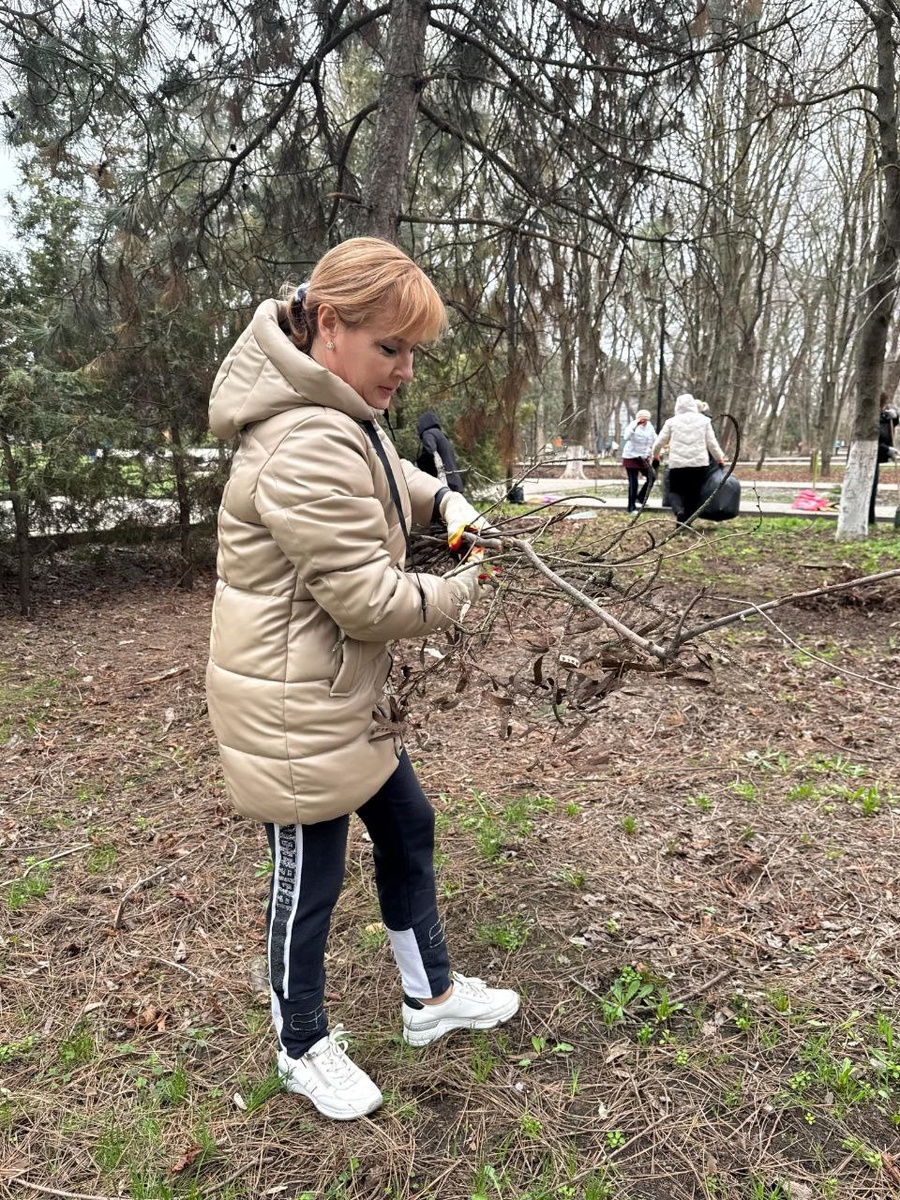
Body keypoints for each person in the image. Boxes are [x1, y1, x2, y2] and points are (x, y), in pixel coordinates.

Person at [206, 237, 519, 1122]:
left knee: (408, 824)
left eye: (412, 351)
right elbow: (371, 602)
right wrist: (465, 585)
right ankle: (300, 1043)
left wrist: (442, 501)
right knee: (309, 880)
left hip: (344, 695)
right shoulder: (302, 441)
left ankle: (429, 1000)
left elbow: (384, 476)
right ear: (331, 327)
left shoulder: (335, 409)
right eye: (391, 348)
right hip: (292, 706)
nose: (404, 371)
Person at [651, 392, 726, 525]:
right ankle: (687, 523)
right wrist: (720, 458)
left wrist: (655, 456)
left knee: (674, 491)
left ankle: (679, 511)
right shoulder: (704, 421)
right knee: (693, 494)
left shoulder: (671, 422)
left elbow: (658, 443)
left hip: (677, 465)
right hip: (699, 465)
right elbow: (712, 443)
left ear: (677, 407)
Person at [869, 393, 900, 524]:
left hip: (875, 457)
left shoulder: (881, 415)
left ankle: (870, 520)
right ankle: (868, 520)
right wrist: (887, 450)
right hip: (866, 457)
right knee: (869, 489)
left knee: (873, 489)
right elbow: (872, 439)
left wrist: (896, 417)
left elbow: (889, 425)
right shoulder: (868, 417)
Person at [416, 410, 464, 492]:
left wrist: (420, 463)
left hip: (444, 484)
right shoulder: (442, 436)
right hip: (454, 483)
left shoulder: (428, 434)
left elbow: (430, 452)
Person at [620, 408, 657, 513]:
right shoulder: (633, 425)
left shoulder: (650, 427)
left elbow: (655, 438)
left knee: (652, 477)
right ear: (638, 418)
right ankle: (631, 507)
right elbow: (626, 437)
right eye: (642, 419)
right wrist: (635, 425)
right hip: (631, 456)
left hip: (643, 457)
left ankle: (640, 498)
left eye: (646, 419)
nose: (644, 421)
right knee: (633, 482)